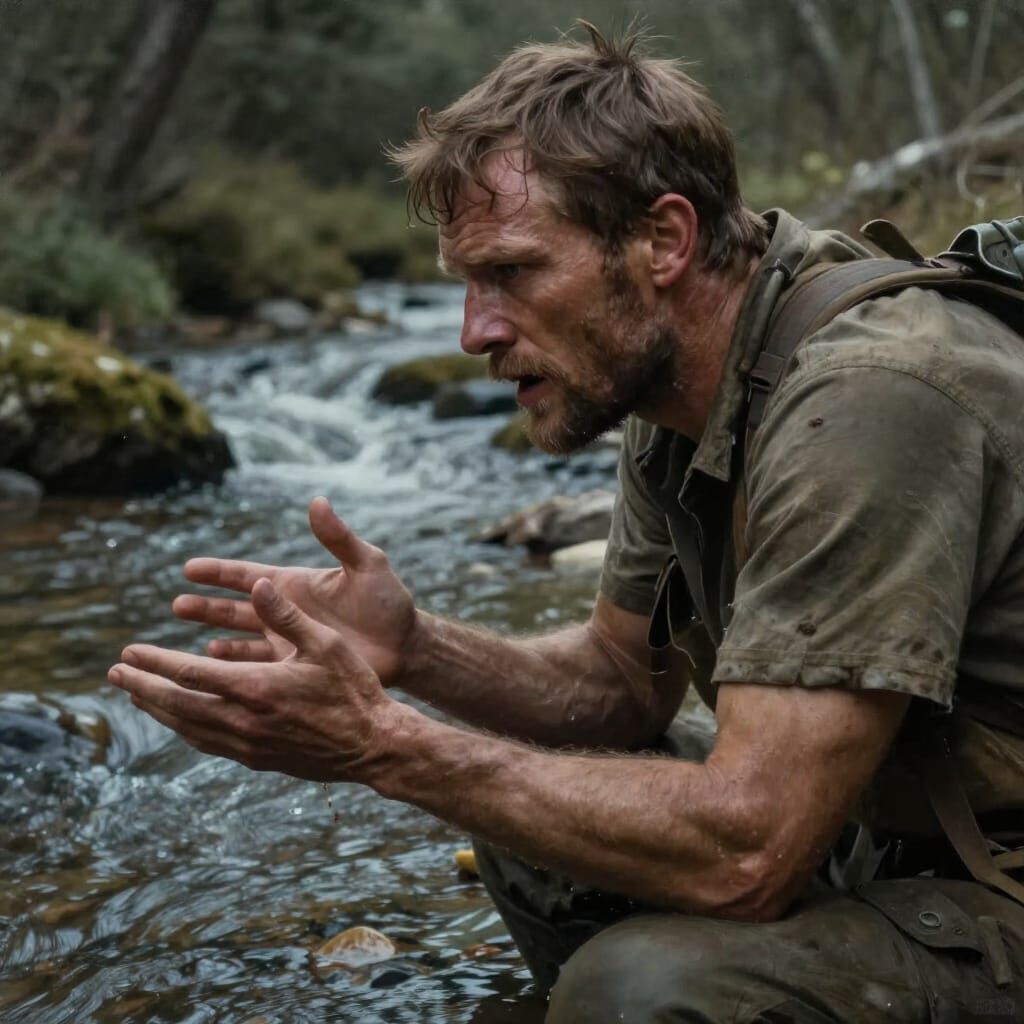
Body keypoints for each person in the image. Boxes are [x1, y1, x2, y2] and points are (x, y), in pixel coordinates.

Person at [108, 24, 1024, 1023]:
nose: (474, 332)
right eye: (464, 282)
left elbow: (752, 849)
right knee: (537, 816)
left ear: (663, 241)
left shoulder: (866, 395)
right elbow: (619, 685)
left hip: (992, 878)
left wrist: (386, 747)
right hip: (896, 834)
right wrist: (415, 650)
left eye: (510, 273)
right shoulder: (679, 378)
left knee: (641, 987)